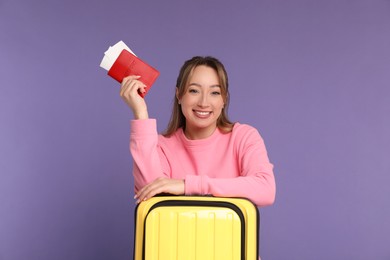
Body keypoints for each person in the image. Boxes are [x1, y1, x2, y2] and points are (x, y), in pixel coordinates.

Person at [120, 56, 275, 207]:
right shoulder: (161, 147)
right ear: (179, 95)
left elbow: (266, 189)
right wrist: (140, 113)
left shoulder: (243, 137)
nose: (203, 103)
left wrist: (188, 185)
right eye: (194, 91)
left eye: (214, 92)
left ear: (224, 99)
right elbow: (151, 199)